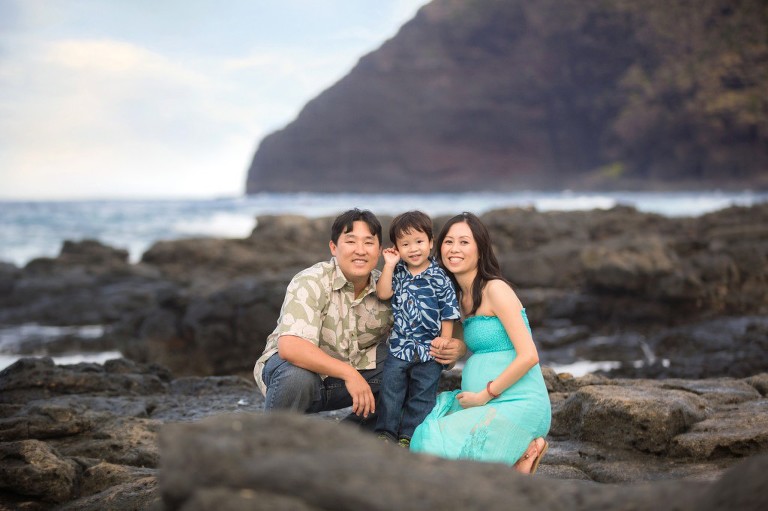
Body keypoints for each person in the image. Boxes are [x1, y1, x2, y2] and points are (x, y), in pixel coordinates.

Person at [253, 208, 464, 427]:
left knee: (405, 367)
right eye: (351, 242)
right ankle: (275, 434)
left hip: (349, 376)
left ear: (381, 250)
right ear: (333, 248)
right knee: (295, 377)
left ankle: (353, 433)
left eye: (368, 243)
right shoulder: (311, 281)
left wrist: (455, 348)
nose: (360, 251)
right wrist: (349, 374)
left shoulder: (390, 287)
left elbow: (429, 328)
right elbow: (291, 347)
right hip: (301, 377)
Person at [409, 212, 551, 474]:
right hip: (482, 402)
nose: (454, 249)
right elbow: (458, 347)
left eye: (464, 242)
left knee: (431, 443)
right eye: (449, 241)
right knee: (422, 434)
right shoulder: (457, 297)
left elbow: (529, 355)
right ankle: (521, 454)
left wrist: (485, 395)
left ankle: (524, 446)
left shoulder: (495, 289)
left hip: (517, 404)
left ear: (480, 249)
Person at [373, 211, 460, 447]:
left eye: (419, 242)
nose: (413, 249)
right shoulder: (398, 271)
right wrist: (389, 265)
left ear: (431, 243)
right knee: (391, 390)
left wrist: (445, 340)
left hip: (430, 348)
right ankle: (386, 432)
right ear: (397, 248)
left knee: (422, 395)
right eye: (405, 244)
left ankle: (410, 436)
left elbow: (448, 311)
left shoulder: (441, 277)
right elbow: (383, 293)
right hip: (400, 346)